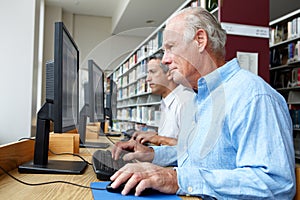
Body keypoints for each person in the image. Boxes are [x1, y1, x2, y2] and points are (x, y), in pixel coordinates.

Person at [110, 7, 296, 199]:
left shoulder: (253, 96)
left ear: (200, 40)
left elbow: (277, 184)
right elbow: (200, 156)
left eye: (171, 47)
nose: (164, 60)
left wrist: (175, 178)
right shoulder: (200, 96)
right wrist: (152, 154)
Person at [131, 51, 195, 146]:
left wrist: (159, 139)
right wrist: (153, 136)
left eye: (152, 72)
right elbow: (172, 136)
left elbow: (190, 148)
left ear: (169, 73)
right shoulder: (165, 102)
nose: (147, 79)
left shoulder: (186, 101)